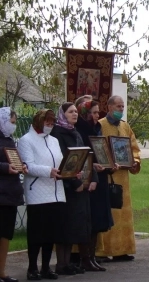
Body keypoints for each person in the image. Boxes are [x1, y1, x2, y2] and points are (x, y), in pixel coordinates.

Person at [50, 103, 99, 275]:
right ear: (62, 114)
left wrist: (93, 177)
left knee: (74, 226)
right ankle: (61, 264)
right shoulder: (57, 133)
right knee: (65, 225)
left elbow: (86, 156)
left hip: (80, 186)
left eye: (76, 112)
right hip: (66, 187)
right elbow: (64, 161)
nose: (75, 114)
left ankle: (68, 262)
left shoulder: (75, 132)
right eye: (71, 112)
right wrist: (75, 184)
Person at [17, 109, 65, 280]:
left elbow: (60, 162)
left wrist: (69, 171)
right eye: (47, 122)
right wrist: (48, 171)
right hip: (37, 193)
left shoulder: (54, 141)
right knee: (36, 233)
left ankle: (46, 267)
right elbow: (28, 166)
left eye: (52, 123)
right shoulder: (26, 140)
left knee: (50, 233)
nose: (50, 126)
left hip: (56, 191)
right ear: (39, 121)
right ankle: (32, 268)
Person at [95, 95, 141, 262]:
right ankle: (102, 251)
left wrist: (134, 161)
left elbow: (134, 148)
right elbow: (97, 148)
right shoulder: (100, 125)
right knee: (108, 212)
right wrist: (108, 163)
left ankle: (122, 250)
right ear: (109, 107)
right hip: (108, 175)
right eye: (118, 107)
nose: (121, 110)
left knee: (122, 211)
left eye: (122, 107)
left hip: (123, 176)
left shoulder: (125, 126)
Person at [75, 100, 114, 270]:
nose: (98, 115)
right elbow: (81, 155)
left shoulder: (96, 128)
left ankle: (92, 257)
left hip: (100, 179)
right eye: (94, 112)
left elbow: (101, 151)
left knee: (97, 220)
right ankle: (85, 258)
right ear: (85, 113)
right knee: (87, 221)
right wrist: (93, 166)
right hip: (87, 180)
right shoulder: (80, 131)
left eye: (98, 112)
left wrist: (110, 164)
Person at [0, 107, 28, 282]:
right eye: (12, 122)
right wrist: (4, 168)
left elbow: (15, 159)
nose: (14, 125)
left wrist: (21, 166)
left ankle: (2, 271)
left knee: (5, 234)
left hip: (10, 193)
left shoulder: (10, 140)